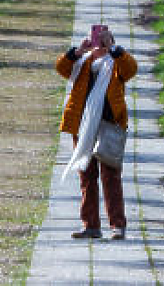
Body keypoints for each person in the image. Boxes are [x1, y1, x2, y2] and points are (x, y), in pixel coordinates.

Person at [56, 22, 137, 240]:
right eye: (96, 40)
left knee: (111, 177)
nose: (99, 45)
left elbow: (131, 69)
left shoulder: (116, 64)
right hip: (82, 127)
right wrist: (77, 51)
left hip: (109, 127)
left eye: (103, 41)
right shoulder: (82, 62)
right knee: (86, 176)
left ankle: (117, 225)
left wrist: (114, 49)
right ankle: (91, 225)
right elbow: (61, 68)